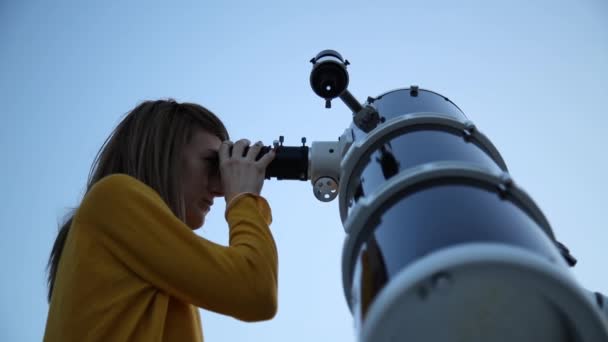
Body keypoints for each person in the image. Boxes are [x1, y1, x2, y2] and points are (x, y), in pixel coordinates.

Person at [43, 99, 278, 341]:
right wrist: (243, 198)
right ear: (165, 154)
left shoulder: (159, 267)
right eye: (212, 163)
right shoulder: (113, 198)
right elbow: (256, 291)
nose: (221, 188)